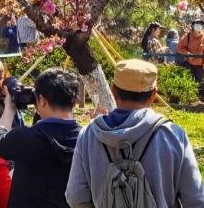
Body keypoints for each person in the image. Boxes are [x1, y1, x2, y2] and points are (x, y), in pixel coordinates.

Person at [66, 60, 204, 208]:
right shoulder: (173, 135)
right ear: (154, 95)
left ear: (113, 90)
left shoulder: (88, 135)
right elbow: (196, 200)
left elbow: (76, 197)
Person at [0, 68, 81, 208]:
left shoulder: (26, 138)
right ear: (75, 101)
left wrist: (9, 108)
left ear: (42, 100)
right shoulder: (87, 138)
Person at [178, 19, 204, 101]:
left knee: (201, 83)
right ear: (193, 26)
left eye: (201, 24)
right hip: (188, 64)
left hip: (200, 66)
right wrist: (188, 53)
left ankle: (200, 101)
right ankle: (188, 100)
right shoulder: (188, 36)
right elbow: (179, 48)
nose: (199, 26)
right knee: (188, 82)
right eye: (197, 24)